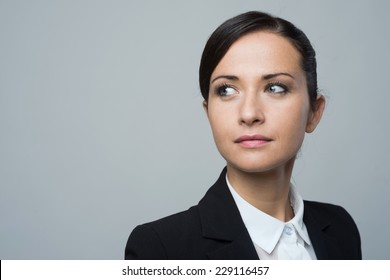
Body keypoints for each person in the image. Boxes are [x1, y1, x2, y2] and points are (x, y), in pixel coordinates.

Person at [124, 11, 362, 260]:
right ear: (209, 113)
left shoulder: (340, 230)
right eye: (226, 90)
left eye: (275, 88)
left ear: (314, 112)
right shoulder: (161, 249)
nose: (249, 114)